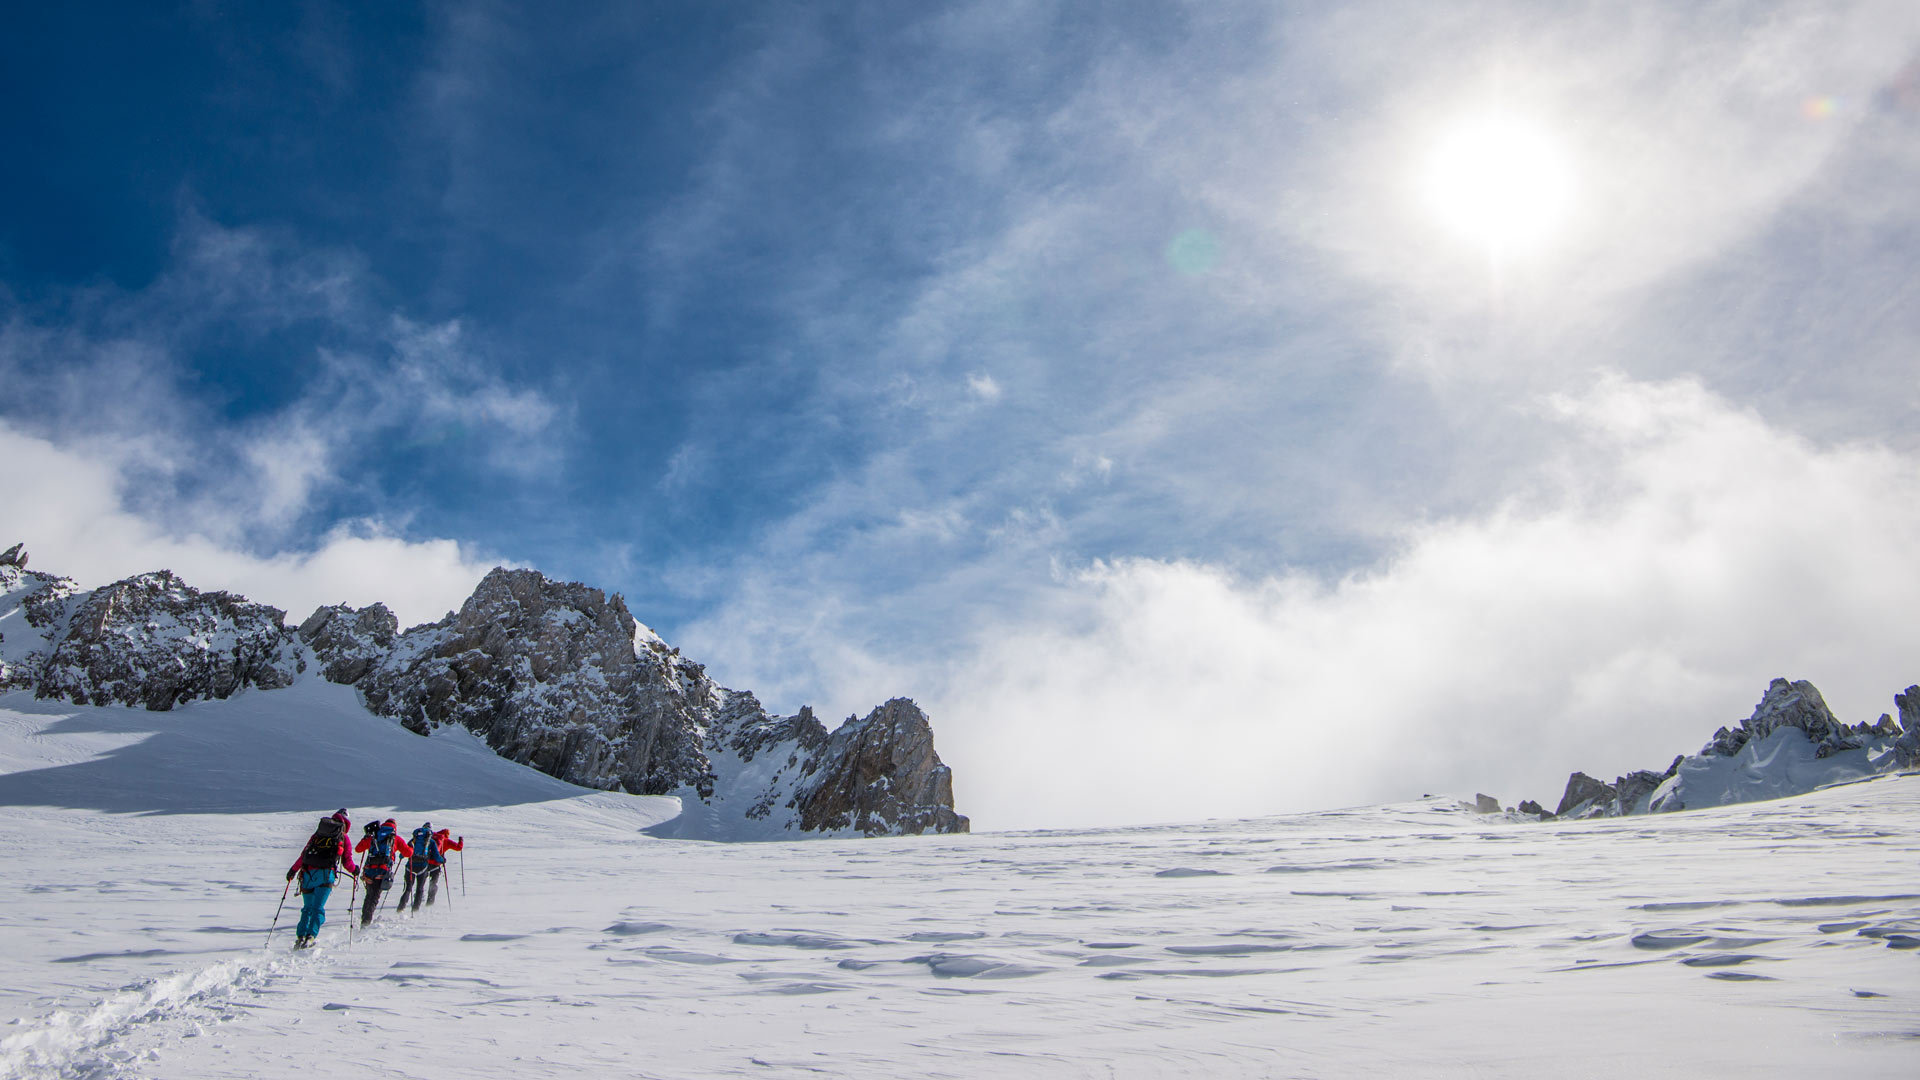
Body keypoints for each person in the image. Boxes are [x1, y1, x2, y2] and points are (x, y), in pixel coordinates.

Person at [286, 809, 359, 949]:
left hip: (307, 875)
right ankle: (311, 936)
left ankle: (300, 936)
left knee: (307, 907)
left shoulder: (317, 835)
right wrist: (355, 870)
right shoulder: (343, 838)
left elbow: (304, 854)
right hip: (325, 876)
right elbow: (347, 862)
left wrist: (293, 870)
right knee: (318, 908)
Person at [354, 818, 411, 926]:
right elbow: (408, 853)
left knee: (369, 895)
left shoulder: (374, 836)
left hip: (369, 871)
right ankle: (365, 923)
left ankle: (364, 919)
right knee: (374, 898)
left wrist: (365, 838)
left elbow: (358, 849)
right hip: (383, 872)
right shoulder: (396, 839)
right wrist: (411, 848)